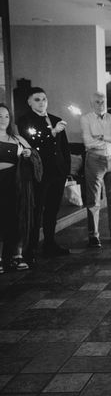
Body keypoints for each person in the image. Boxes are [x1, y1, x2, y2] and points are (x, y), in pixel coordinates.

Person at [18, 87, 71, 260]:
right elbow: (32, 143)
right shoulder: (24, 120)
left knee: (52, 209)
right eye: (37, 99)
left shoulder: (56, 119)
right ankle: (30, 248)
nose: (42, 102)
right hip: (39, 172)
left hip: (57, 172)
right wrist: (52, 132)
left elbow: (64, 147)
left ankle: (50, 243)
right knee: (37, 209)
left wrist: (66, 170)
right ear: (29, 102)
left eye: (44, 99)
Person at [80, 92, 111, 248]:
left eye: (102, 102)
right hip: (95, 160)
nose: (100, 104)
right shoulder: (85, 119)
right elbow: (88, 142)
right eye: (97, 102)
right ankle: (93, 235)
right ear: (91, 104)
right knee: (93, 200)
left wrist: (102, 137)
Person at [0, 104, 33, 272]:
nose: (3, 119)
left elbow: (33, 155)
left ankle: (17, 255)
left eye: (6, 116)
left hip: (15, 182)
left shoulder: (17, 138)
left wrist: (28, 154)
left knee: (16, 216)